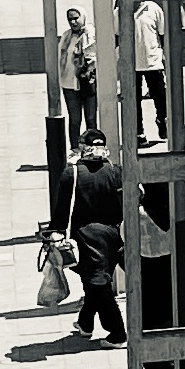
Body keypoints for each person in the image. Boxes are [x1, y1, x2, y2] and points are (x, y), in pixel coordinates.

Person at [68, 135, 124, 342]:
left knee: (97, 285)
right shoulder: (115, 171)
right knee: (94, 283)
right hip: (113, 235)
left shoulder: (72, 173)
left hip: (87, 239)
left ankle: (117, 332)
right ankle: (85, 323)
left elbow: (61, 209)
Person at [133, 0, 168, 145]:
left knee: (159, 95)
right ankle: (139, 132)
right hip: (132, 64)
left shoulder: (153, 8)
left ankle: (162, 120)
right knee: (134, 100)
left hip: (153, 61)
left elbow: (163, 33)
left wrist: (165, 56)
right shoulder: (120, 10)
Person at [64, 8, 98, 139]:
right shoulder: (67, 36)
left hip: (88, 82)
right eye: (70, 19)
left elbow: (93, 54)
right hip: (69, 83)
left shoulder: (90, 33)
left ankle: (93, 147)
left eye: (75, 18)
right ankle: (75, 148)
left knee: (90, 119)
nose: (73, 22)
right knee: (74, 119)